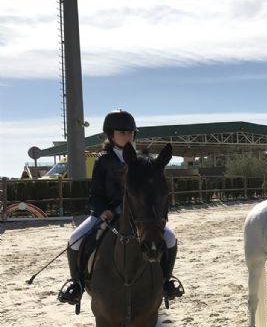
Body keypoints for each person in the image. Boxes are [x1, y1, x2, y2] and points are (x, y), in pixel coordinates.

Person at [57, 109, 183, 306]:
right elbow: (95, 195)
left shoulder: (142, 162)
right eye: (122, 132)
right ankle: (77, 284)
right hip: (108, 213)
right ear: (111, 135)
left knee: (169, 238)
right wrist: (102, 210)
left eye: (130, 133)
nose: (127, 136)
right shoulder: (103, 161)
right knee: (74, 239)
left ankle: (167, 281)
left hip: (138, 215)